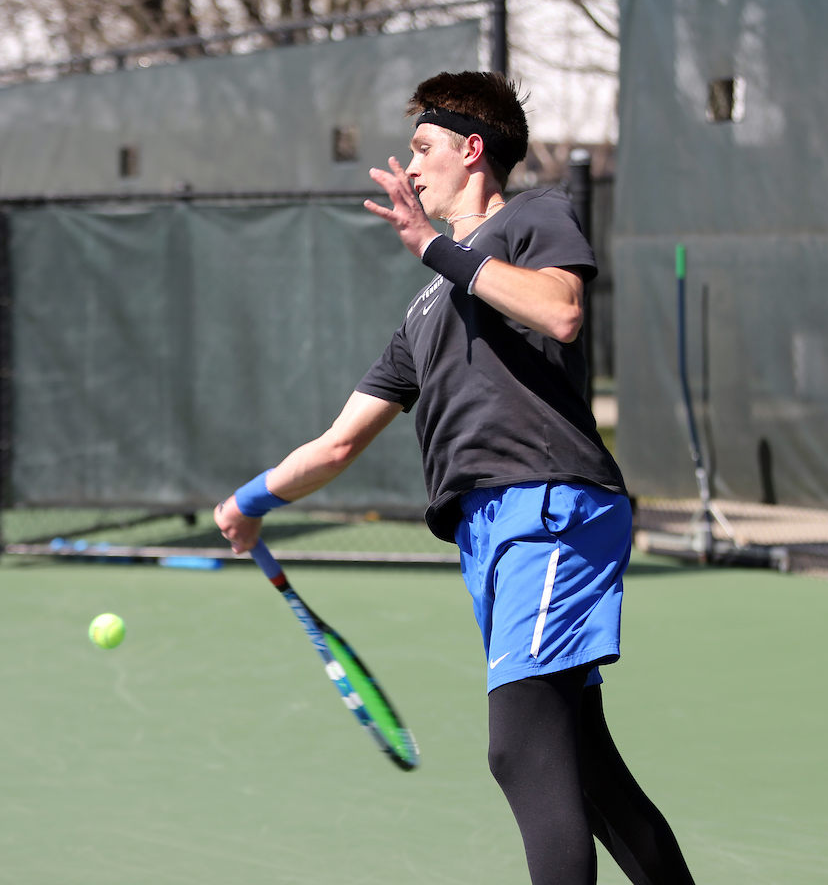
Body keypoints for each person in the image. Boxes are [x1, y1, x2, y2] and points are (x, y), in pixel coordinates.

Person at [214, 71, 695, 885]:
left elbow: (560, 311)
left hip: (551, 510)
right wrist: (249, 502)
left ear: (473, 152)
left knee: (518, 748)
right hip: (488, 537)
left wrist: (435, 246)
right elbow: (337, 444)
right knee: (585, 769)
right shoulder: (423, 313)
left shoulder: (533, 216)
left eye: (424, 148)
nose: (410, 166)